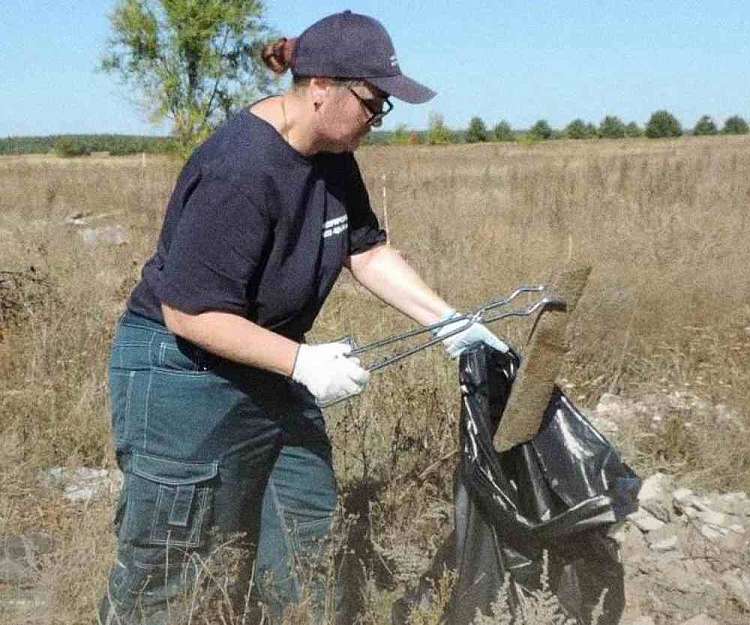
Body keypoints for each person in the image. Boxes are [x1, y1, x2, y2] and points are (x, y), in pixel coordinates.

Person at [98, 10, 508, 624]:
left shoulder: (331, 153)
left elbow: (364, 250)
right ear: (320, 87)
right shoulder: (240, 168)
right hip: (183, 371)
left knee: (308, 546)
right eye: (372, 103)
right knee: (169, 567)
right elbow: (190, 312)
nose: (377, 119)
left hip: (270, 360)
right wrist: (302, 363)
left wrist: (450, 323)